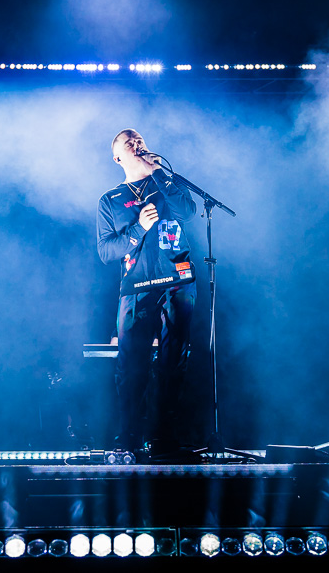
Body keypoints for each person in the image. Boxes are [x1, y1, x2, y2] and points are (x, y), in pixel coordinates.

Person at [97, 129, 197, 456]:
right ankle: (127, 440)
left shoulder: (165, 182)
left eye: (139, 140)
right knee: (131, 366)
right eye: (129, 143)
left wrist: (159, 174)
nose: (137, 145)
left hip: (177, 281)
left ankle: (164, 439)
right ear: (118, 157)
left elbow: (189, 211)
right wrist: (139, 227)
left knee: (174, 362)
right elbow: (106, 251)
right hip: (136, 288)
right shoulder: (110, 199)